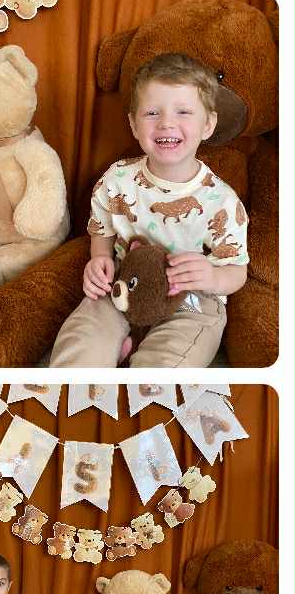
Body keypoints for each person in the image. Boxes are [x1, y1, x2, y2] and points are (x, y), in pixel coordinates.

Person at [50, 52, 248, 367]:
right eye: (152, 112)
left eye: (184, 112)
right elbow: (101, 230)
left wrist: (212, 277)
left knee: (170, 361)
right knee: (83, 338)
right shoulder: (116, 180)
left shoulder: (222, 202)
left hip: (192, 296)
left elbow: (237, 270)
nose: (167, 123)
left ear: (208, 124)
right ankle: (95, 363)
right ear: (133, 124)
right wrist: (99, 258)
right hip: (125, 282)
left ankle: (142, 367)